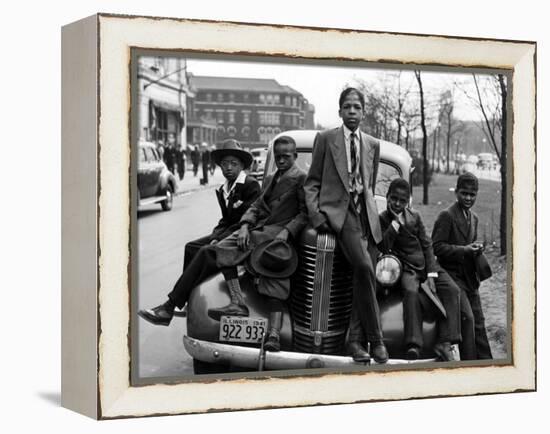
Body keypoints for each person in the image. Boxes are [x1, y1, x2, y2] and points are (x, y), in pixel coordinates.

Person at [138, 136, 308, 330]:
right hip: (255, 231)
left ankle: (171, 307)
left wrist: (287, 232)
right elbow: (257, 206)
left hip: (274, 238)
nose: (281, 161)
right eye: (277, 157)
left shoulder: (301, 178)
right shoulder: (270, 179)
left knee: (208, 252)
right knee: (210, 250)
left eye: (286, 156)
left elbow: (304, 213)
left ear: (295, 156)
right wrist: (244, 225)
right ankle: (180, 306)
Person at [303, 87, 388, 364]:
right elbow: (312, 182)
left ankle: (354, 340)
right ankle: (375, 341)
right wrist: (318, 217)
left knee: (363, 276)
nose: (352, 112)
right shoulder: (326, 139)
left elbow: (370, 185)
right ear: (340, 111)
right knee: (364, 267)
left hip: (367, 217)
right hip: (341, 214)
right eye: (347, 107)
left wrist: (371, 214)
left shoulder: (372, 144)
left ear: (363, 111)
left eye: (357, 107)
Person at [378, 178, 463, 361]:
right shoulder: (383, 219)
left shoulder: (415, 216)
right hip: (407, 267)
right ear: (387, 198)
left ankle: (446, 341)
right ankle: (413, 344)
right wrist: (394, 224)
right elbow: (383, 247)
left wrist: (432, 273)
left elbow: (427, 245)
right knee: (410, 291)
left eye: (402, 200)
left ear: (408, 201)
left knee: (452, 289)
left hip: (426, 266)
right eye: (394, 199)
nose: (398, 204)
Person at [432, 172, 492, 360]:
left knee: (479, 323)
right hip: (451, 277)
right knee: (468, 319)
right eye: (464, 193)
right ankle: (469, 363)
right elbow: (437, 247)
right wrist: (464, 249)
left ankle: (487, 364)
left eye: (472, 194)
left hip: (469, 278)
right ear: (456, 192)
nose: (468, 198)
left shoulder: (473, 218)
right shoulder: (446, 216)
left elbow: (469, 246)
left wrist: (476, 249)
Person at [183, 139, 261, 269]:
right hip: (226, 233)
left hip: (241, 235)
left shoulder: (250, 184)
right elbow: (225, 219)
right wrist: (215, 236)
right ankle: (188, 285)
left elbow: (245, 221)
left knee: (205, 251)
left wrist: (218, 239)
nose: (229, 168)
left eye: (233, 163)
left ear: (241, 166)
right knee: (191, 247)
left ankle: (187, 286)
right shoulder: (223, 189)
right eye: (224, 164)